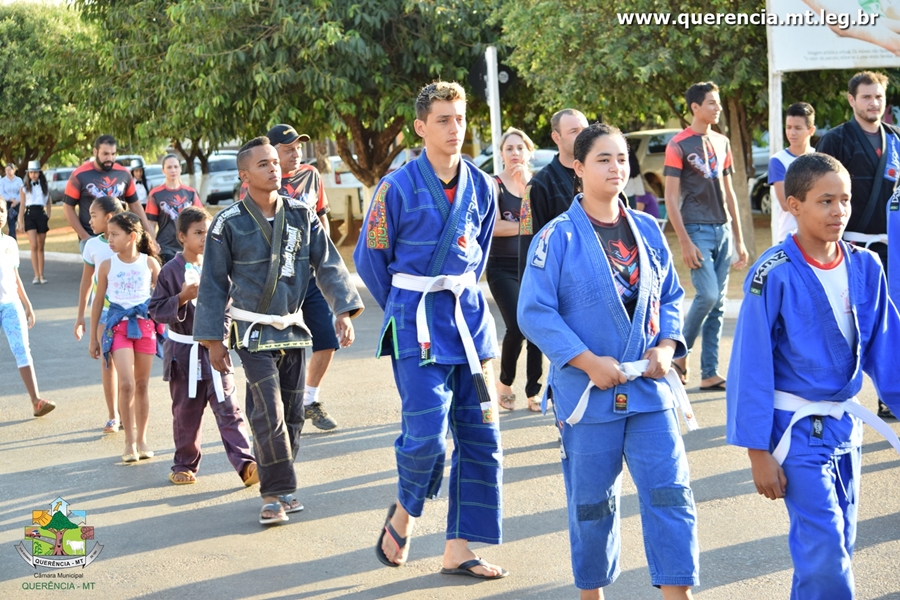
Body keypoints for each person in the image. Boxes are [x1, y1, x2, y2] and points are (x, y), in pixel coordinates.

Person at [518, 123, 698, 600]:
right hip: (588, 395)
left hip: (649, 391)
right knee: (592, 504)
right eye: (603, 159)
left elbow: (671, 296)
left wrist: (667, 346)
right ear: (577, 167)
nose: (616, 167)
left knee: (671, 493)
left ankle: (678, 594)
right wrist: (585, 361)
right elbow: (534, 312)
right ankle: (592, 593)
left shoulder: (648, 229)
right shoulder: (556, 237)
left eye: (621, 158)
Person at [726, 153, 900, 600]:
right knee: (825, 552)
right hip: (796, 432)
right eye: (826, 201)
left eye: (845, 200)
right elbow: (750, 364)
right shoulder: (773, 273)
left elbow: (888, 348)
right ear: (794, 204)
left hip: (845, 428)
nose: (839, 211)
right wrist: (757, 451)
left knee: (835, 544)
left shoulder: (865, 266)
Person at [354, 81, 508, 580]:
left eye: (460, 118)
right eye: (443, 120)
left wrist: (457, 292)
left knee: (481, 435)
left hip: (470, 325)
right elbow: (370, 258)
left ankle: (458, 548)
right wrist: (405, 305)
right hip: (415, 325)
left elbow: (479, 253)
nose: (454, 128)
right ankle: (405, 510)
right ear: (421, 127)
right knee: (426, 437)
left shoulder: (483, 186)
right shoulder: (395, 188)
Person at [194, 136, 363, 525]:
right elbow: (212, 284)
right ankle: (274, 494)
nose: (274, 168)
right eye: (263, 164)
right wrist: (213, 341)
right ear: (244, 175)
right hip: (252, 330)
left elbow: (328, 264)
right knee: (268, 410)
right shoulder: (227, 223)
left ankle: (280, 485)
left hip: (293, 327)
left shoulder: (302, 214)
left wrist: (343, 311)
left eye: (275, 162)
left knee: (292, 414)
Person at [237, 124, 343, 431]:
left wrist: (325, 259)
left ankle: (310, 400)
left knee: (327, 340)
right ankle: (274, 407)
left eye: (298, 148)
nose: (296, 154)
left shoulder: (311, 175)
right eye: (288, 149)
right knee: (277, 349)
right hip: (276, 281)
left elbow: (321, 218)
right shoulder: (259, 182)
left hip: (309, 276)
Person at [149, 206, 259, 486]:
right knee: (185, 413)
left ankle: (246, 464)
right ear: (182, 236)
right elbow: (156, 310)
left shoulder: (219, 267)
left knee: (229, 408)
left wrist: (219, 339)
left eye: (208, 233)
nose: (204, 238)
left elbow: (229, 307)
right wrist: (182, 298)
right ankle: (184, 464)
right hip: (183, 354)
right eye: (198, 232)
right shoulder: (170, 271)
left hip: (216, 351)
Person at [816, 71, 898, 420]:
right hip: (848, 247)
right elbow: (818, 193)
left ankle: (889, 395)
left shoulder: (895, 140)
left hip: (890, 249)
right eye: (866, 97)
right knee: (844, 324)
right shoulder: (835, 141)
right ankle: (831, 394)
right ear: (851, 100)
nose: (873, 103)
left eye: (878, 97)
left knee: (889, 325)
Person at [665, 81, 748, 389]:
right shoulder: (678, 145)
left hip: (723, 229)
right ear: (695, 107)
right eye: (712, 103)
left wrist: (739, 239)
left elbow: (729, 192)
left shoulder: (722, 142)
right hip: (696, 229)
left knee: (718, 305)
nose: (718, 108)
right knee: (708, 295)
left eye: (718, 102)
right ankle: (678, 353)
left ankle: (709, 373)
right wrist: (684, 242)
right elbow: (670, 198)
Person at [89, 212, 162, 463]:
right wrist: (93, 338)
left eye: (114, 234)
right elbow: (98, 302)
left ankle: (142, 440)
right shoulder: (106, 265)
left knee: (142, 385)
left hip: (145, 328)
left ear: (131, 237)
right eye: (108, 234)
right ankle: (129, 442)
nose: (109, 239)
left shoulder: (149, 264)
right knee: (127, 383)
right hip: (118, 328)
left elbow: (164, 298)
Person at [487, 127, 543, 412]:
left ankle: (534, 391)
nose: (515, 153)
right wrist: (528, 225)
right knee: (517, 327)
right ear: (501, 154)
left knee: (537, 327)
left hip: (534, 266)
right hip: (502, 266)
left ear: (529, 152)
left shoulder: (537, 184)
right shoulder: (493, 184)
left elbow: (546, 223)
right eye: (509, 148)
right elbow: (495, 227)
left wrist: (525, 186)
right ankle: (505, 382)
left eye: (520, 148)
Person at [518, 108, 589, 278]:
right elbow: (529, 245)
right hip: (562, 279)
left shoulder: (599, 174)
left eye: (585, 130)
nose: (583, 137)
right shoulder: (539, 186)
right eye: (574, 131)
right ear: (556, 137)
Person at [0, 201, 55, 417]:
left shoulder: (10, 243)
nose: (0, 215)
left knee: (23, 350)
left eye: (2, 211)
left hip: (10, 304)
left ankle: (36, 401)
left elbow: (14, 276)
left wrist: (27, 304)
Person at [75, 196, 124, 433]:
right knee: (107, 363)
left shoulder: (129, 241)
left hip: (127, 314)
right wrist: (80, 317)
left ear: (109, 217)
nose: (89, 220)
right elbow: (86, 282)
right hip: (103, 314)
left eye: (93, 215)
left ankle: (127, 412)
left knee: (127, 366)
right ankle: (113, 415)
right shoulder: (92, 245)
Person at [63, 135, 155, 253]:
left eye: (113, 154)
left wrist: (150, 235)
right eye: (105, 154)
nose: (110, 158)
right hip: (92, 237)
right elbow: (68, 207)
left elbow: (135, 205)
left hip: (121, 237)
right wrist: (84, 236)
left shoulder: (124, 174)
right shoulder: (78, 175)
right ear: (95, 152)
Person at [768, 102, 817, 245]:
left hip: (817, 235)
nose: (792, 133)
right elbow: (786, 203)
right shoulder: (778, 160)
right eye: (788, 127)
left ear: (811, 130)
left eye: (798, 128)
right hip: (789, 237)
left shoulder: (821, 158)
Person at [146, 154, 203, 264]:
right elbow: (150, 223)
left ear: (180, 169)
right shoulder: (155, 194)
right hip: (165, 246)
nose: (173, 170)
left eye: (176, 167)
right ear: (163, 170)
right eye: (169, 167)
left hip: (188, 245)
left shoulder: (190, 192)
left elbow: (201, 219)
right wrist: (152, 243)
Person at [18, 161, 51, 284]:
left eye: (35, 172)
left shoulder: (45, 186)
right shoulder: (24, 187)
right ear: (28, 174)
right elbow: (22, 205)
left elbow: (48, 202)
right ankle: (36, 275)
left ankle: (42, 275)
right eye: (31, 172)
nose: (33, 175)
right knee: (34, 245)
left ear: (39, 173)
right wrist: (20, 221)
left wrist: (48, 215)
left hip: (41, 214)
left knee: (41, 245)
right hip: (30, 214)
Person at [1, 164, 23, 241]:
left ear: (14, 170)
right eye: (6, 170)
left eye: (9, 170)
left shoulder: (19, 180)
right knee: (11, 221)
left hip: (18, 203)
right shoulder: (3, 181)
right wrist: (11, 200)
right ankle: (13, 239)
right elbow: (2, 193)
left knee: (17, 220)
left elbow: (21, 192)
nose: (8, 172)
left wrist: (16, 201)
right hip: (8, 204)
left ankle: (12, 236)